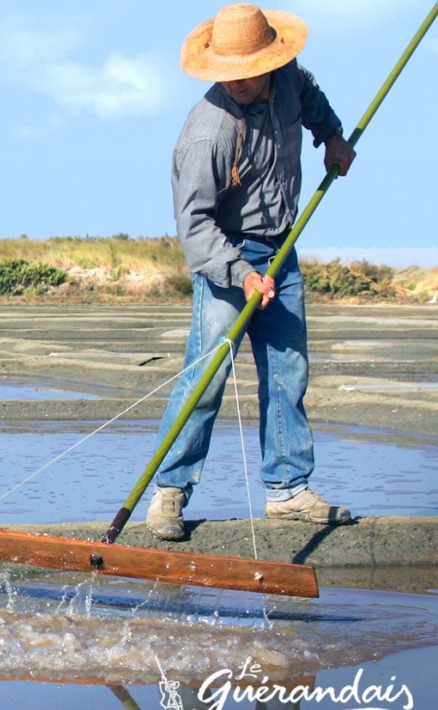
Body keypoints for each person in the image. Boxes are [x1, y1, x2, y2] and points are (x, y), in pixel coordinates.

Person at [146, 3, 357, 540]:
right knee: (208, 376)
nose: (238, 83)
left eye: (247, 73)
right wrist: (239, 273)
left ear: (269, 61)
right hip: (227, 253)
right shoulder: (206, 131)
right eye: (229, 75)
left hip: (281, 249)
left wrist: (331, 135)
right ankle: (169, 491)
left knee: (289, 370)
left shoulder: (286, 79)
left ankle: (287, 490)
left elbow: (310, 97)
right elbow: (193, 224)